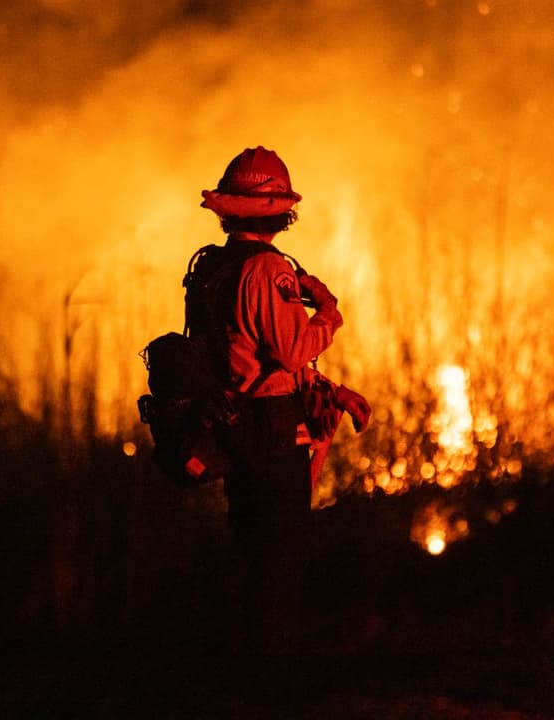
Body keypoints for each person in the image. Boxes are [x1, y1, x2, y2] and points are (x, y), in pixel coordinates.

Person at [193, 146, 371, 651]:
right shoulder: (268, 271)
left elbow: (245, 352)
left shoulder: (215, 267)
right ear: (280, 211)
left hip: (236, 421)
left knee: (254, 544)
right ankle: (268, 669)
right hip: (269, 427)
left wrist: (331, 392)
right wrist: (329, 311)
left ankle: (247, 659)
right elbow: (292, 351)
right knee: (281, 552)